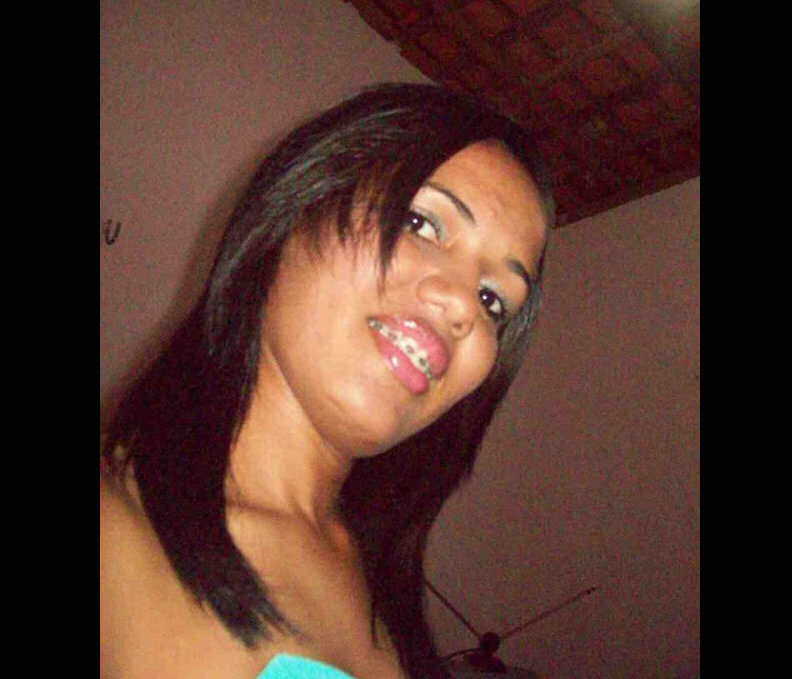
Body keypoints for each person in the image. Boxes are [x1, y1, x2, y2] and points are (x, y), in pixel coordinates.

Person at [100, 83, 553, 679]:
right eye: (421, 222)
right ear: (293, 208)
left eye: (494, 299)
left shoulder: (383, 582)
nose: (463, 306)